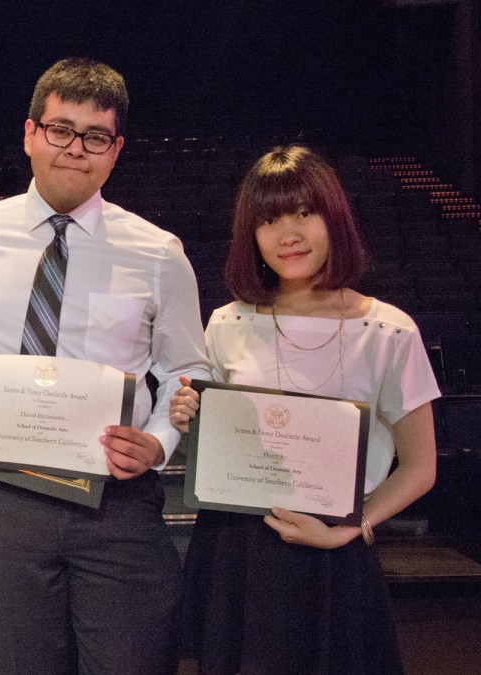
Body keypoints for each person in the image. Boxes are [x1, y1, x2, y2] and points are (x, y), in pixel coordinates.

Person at [0, 57, 210, 675]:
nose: (75, 149)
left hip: (115, 500)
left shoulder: (158, 252)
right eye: (61, 130)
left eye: (94, 137)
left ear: (114, 150)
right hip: (0, 497)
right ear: (31, 134)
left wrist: (159, 442)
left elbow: (187, 370)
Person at [168, 145, 438, 675]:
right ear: (251, 233)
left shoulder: (388, 331)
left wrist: (349, 527)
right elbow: (217, 443)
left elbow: (421, 465)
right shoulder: (228, 322)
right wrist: (189, 420)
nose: (287, 234)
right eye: (269, 219)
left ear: (334, 218)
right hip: (237, 552)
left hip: (333, 552)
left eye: (304, 213)